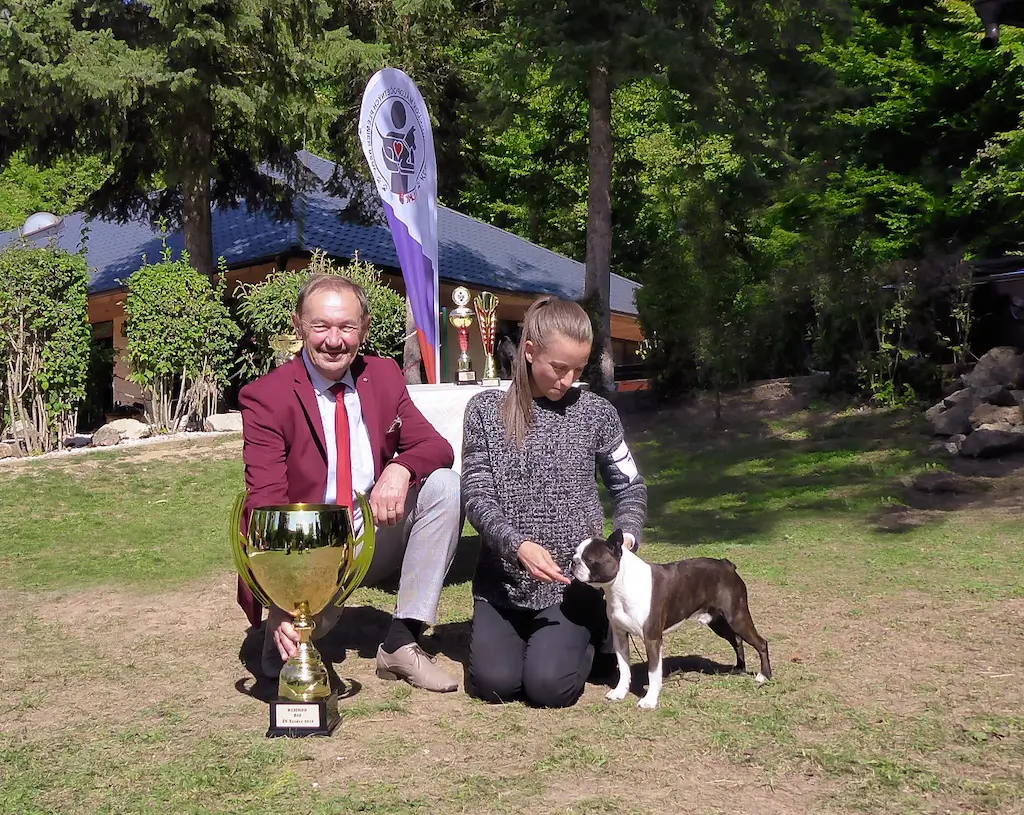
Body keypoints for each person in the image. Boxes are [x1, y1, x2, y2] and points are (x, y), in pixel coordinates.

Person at [237, 273, 461, 693]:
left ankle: (402, 642)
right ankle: (289, 632)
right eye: (321, 326)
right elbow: (265, 502)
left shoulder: (384, 374)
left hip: (371, 532)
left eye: (347, 327)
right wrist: (282, 597)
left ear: (365, 329)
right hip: (306, 551)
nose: (334, 340)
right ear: (299, 325)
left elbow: (436, 446)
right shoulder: (266, 396)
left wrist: (401, 469)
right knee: (283, 662)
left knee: (445, 486)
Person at [462, 296, 647, 707]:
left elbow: (630, 485)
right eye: (559, 368)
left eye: (578, 370)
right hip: (503, 586)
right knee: (496, 686)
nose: (567, 380)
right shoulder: (484, 411)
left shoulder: (596, 413)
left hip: (572, 585)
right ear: (529, 351)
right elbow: (476, 495)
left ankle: (595, 632)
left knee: (549, 689)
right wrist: (516, 545)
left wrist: (628, 536)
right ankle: (542, 640)